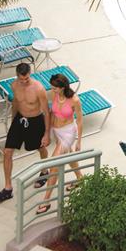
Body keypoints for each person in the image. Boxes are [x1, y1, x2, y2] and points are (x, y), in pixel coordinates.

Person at [0, 62, 50, 203]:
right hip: (19, 119)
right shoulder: (14, 85)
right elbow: (16, 103)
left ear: (30, 74)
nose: (24, 81)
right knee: (7, 152)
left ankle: (44, 171)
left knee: (40, 147)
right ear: (17, 75)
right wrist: (13, 121)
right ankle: (8, 188)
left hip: (35, 121)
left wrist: (47, 133)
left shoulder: (38, 89)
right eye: (21, 79)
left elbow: (47, 112)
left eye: (26, 79)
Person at [36, 73, 84, 215]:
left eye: (55, 88)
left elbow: (80, 120)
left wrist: (79, 141)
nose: (52, 90)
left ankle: (46, 201)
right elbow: (52, 113)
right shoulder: (55, 95)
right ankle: (80, 178)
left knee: (54, 164)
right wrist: (48, 132)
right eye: (52, 87)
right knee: (67, 156)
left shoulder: (74, 100)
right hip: (57, 131)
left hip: (68, 133)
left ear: (63, 87)